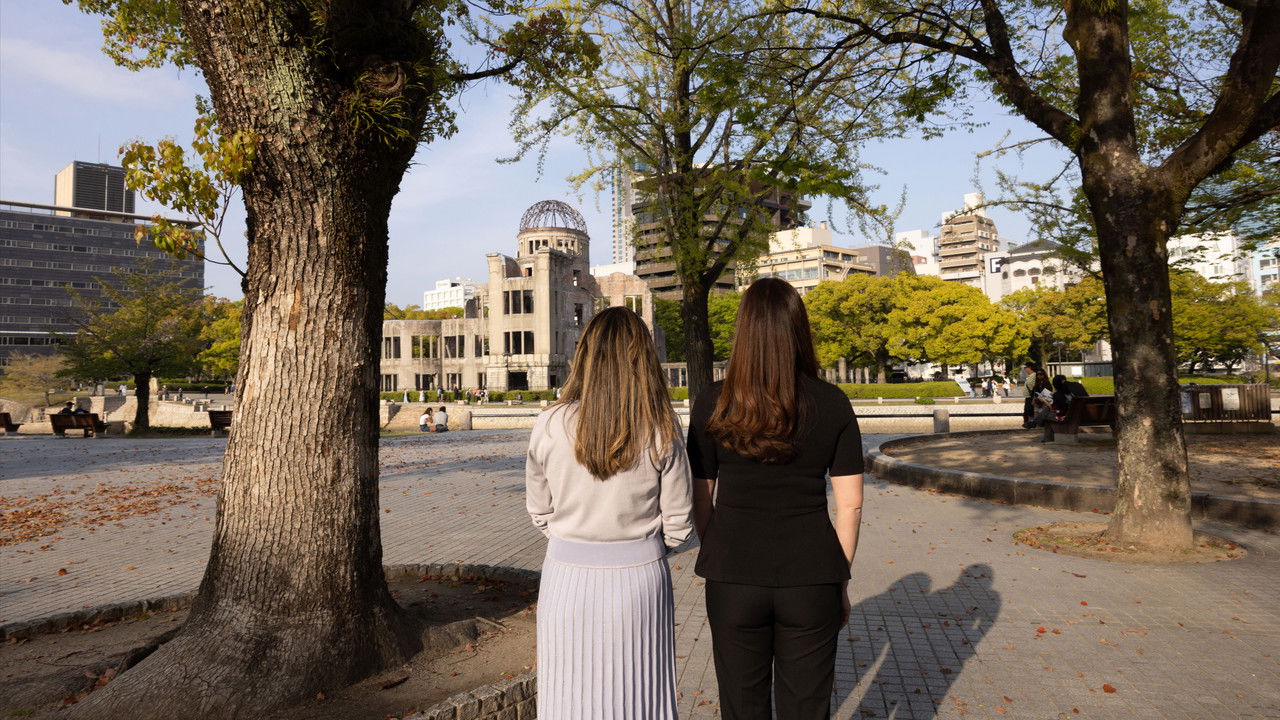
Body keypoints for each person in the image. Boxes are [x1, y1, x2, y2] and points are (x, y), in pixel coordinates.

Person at [687, 278, 865, 720]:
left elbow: (701, 498)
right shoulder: (832, 402)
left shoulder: (713, 401)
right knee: (807, 706)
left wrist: (719, 548)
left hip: (732, 573)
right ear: (798, 329)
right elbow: (850, 505)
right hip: (812, 574)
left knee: (741, 704)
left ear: (743, 331)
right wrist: (840, 579)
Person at [525, 306, 693, 719]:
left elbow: (539, 511)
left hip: (566, 575)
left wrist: (574, 538)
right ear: (643, 358)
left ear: (584, 354)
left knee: (569, 696)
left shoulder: (550, 423)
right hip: (640, 577)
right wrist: (641, 547)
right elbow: (679, 522)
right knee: (640, 693)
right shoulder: (660, 425)